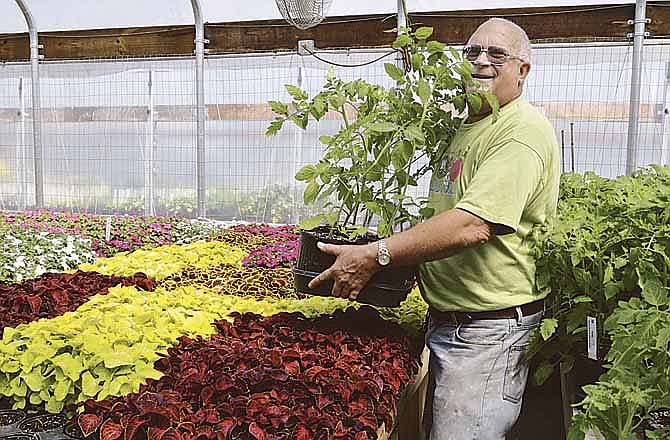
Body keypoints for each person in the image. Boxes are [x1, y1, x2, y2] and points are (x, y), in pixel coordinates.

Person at [307, 17, 560, 440]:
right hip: (452, 321)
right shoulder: (467, 127)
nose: (480, 61)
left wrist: (379, 253)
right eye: (472, 53)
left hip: (485, 333)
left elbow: (474, 224)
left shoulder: (520, 133)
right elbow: (446, 213)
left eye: (497, 54)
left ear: (523, 70)